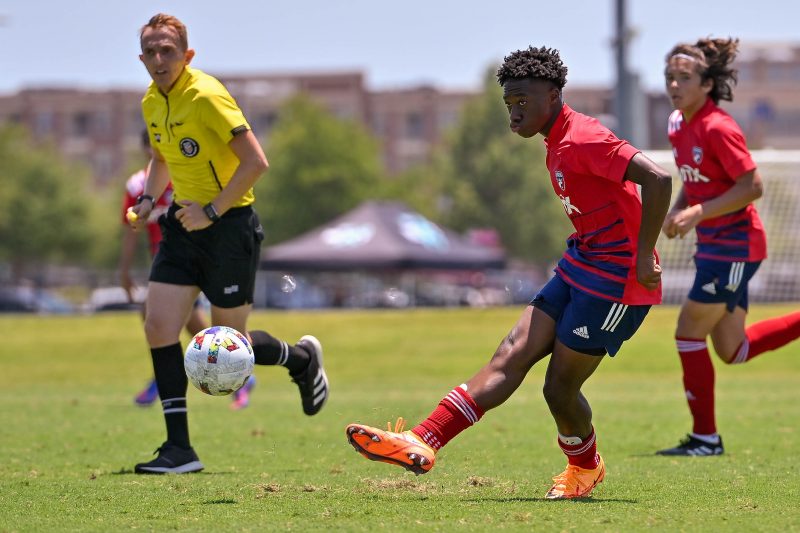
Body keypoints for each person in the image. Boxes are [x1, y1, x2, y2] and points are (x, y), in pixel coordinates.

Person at [345, 46, 672, 499]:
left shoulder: (584, 137)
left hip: (617, 280)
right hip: (582, 262)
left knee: (559, 389)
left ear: (553, 96)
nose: (514, 113)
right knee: (510, 352)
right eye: (509, 103)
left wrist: (643, 255)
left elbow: (658, 179)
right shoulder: (556, 140)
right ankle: (422, 439)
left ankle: (585, 469)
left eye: (523, 101)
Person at [130, 13, 328, 474]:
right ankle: (179, 449)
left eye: (168, 51)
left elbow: (256, 161)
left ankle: (301, 359)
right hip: (182, 226)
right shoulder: (151, 102)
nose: (159, 59)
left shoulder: (206, 95)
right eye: (151, 52)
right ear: (141, 58)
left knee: (229, 344)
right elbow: (161, 158)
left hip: (229, 228)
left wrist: (213, 211)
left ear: (187, 55)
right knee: (158, 326)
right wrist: (148, 200)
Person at [656, 37, 800, 456]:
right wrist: (679, 209)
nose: (674, 84)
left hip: (735, 248)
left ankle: (705, 439)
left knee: (687, 332)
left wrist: (696, 214)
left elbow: (752, 186)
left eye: (685, 77)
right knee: (733, 350)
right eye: (670, 76)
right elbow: (695, 177)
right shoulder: (676, 124)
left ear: (707, 84)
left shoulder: (718, 127)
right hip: (715, 247)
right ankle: (705, 439)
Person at [122, 130, 256, 411]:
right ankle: (168, 377)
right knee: (168, 322)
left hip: (196, 257)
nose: (154, 153)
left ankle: (240, 370)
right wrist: (124, 269)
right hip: (167, 263)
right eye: (151, 148)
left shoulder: (184, 180)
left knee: (207, 329)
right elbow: (130, 229)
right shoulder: (139, 186)